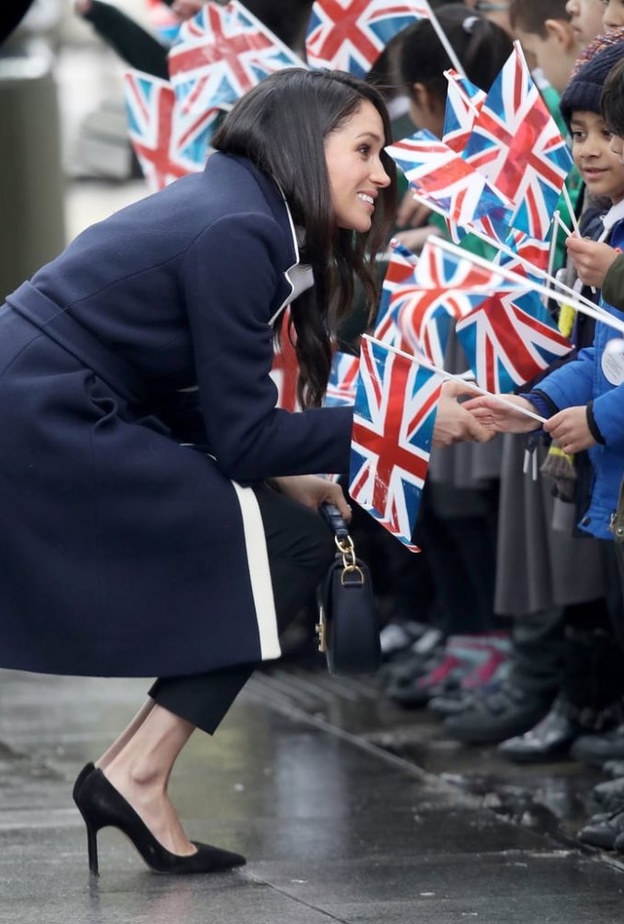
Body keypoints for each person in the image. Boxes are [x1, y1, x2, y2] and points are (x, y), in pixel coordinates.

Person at [0, 67, 491, 876]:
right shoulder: (241, 228)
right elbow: (245, 440)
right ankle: (136, 774)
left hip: (53, 406)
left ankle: (131, 772)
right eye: (366, 150)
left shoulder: (241, 211)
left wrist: (302, 462)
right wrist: (403, 424)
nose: (384, 174)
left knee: (285, 538)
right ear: (305, 144)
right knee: (291, 548)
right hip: (47, 417)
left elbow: (210, 409)